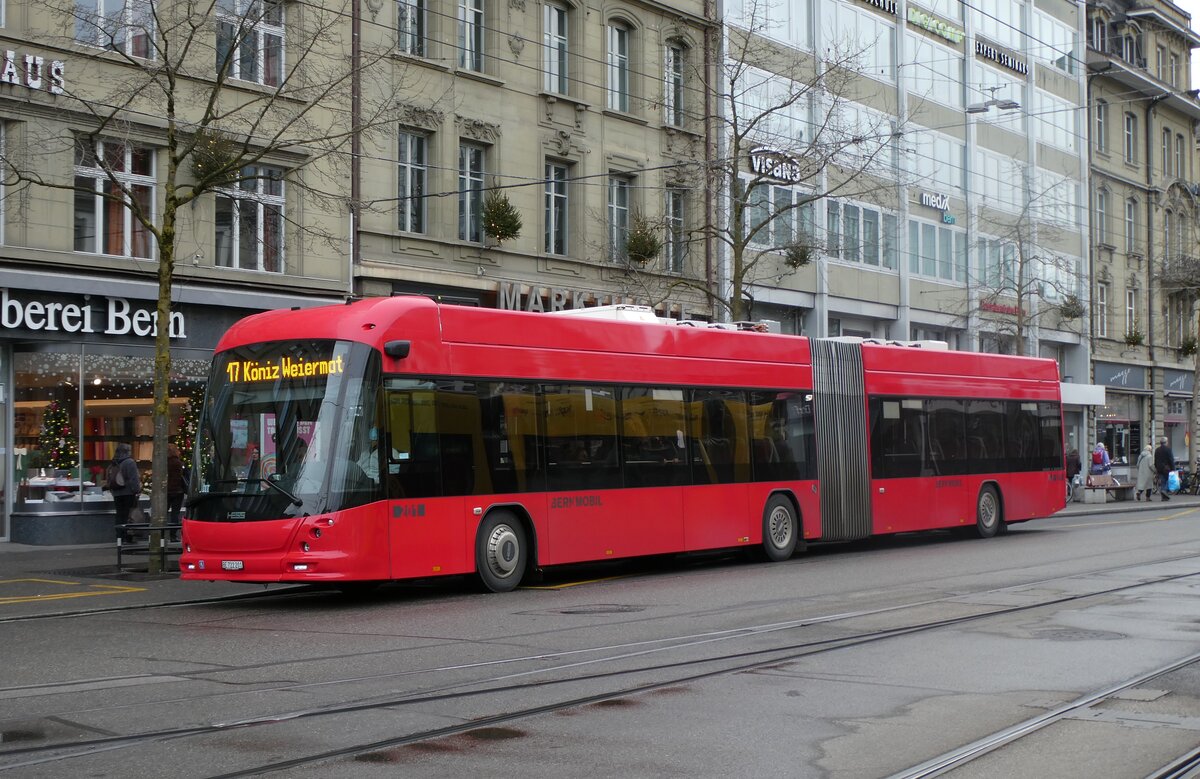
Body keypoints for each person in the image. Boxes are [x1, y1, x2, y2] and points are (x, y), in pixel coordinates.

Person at [106, 442, 142, 523]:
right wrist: (137, 490)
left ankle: (119, 534)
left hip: (116, 493)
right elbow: (134, 479)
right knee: (128, 515)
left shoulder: (114, 463)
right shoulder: (130, 462)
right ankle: (126, 534)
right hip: (128, 493)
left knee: (119, 514)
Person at [166, 444, 185, 527]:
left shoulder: (165, 463)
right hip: (178, 491)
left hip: (167, 490)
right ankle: (173, 533)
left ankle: (163, 533)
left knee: (164, 512)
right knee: (175, 513)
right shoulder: (178, 463)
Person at [1154, 437, 1176, 501]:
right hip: (1167, 468)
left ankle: (1164, 497)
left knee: (1163, 481)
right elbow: (1171, 459)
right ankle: (1164, 491)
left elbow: (1155, 460)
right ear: (1166, 442)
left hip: (1159, 468)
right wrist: (1173, 469)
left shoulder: (1157, 450)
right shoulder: (1168, 449)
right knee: (1169, 481)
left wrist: (1156, 467)